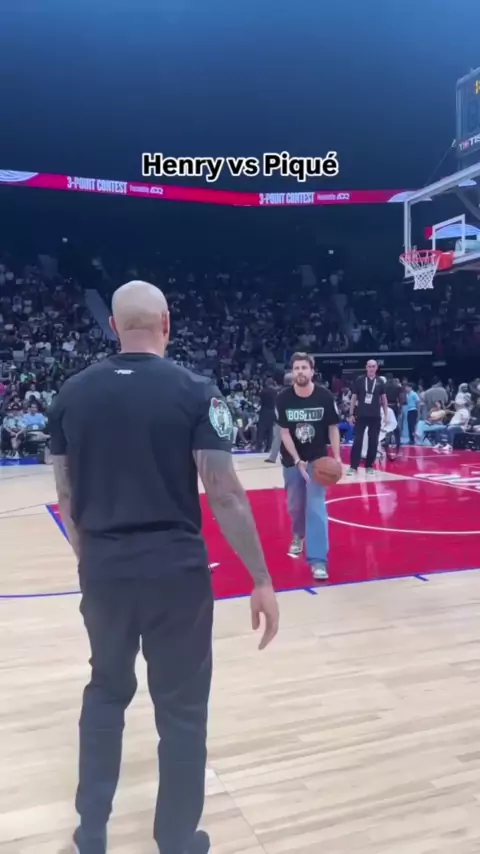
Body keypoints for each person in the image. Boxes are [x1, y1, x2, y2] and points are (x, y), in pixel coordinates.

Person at [49, 280, 279, 854]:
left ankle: (91, 832)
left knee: (106, 692)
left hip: (104, 568)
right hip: (176, 573)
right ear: (167, 323)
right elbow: (224, 492)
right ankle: (176, 839)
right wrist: (261, 577)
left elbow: (66, 497)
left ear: (113, 327)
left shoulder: (70, 394)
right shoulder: (198, 391)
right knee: (181, 711)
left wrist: (91, 561)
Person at [276, 352, 341, 581]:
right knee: (295, 506)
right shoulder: (283, 398)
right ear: (292, 372)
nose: (300, 372)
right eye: (296, 368)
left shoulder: (324, 396)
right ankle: (298, 534)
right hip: (292, 459)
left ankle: (318, 561)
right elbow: (284, 433)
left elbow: (333, 428)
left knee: (316, 507)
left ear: (312, 371)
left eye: (304, 367)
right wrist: (297, 460)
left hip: (317, 460)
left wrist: (337, 457)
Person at [347, 359, 388, 475]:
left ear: (376, 368)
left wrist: (386, 415)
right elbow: (354, 398)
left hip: (375, 416)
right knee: (358, 440)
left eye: (373, 366)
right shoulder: (360, 380)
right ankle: (353, 466)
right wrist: (351, 414)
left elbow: (384, 399)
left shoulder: (380, 381)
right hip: (361, 415)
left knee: (373, 441)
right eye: (369, 366)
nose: (371, 369)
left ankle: (369, 465)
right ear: (366, 367)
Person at [265, 372, 292, 464]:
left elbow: (276, 407)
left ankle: (273, 457)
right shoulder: (293, 391)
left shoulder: (280, 391)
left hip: (282, 418)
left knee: (277, 439)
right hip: (290, 418)